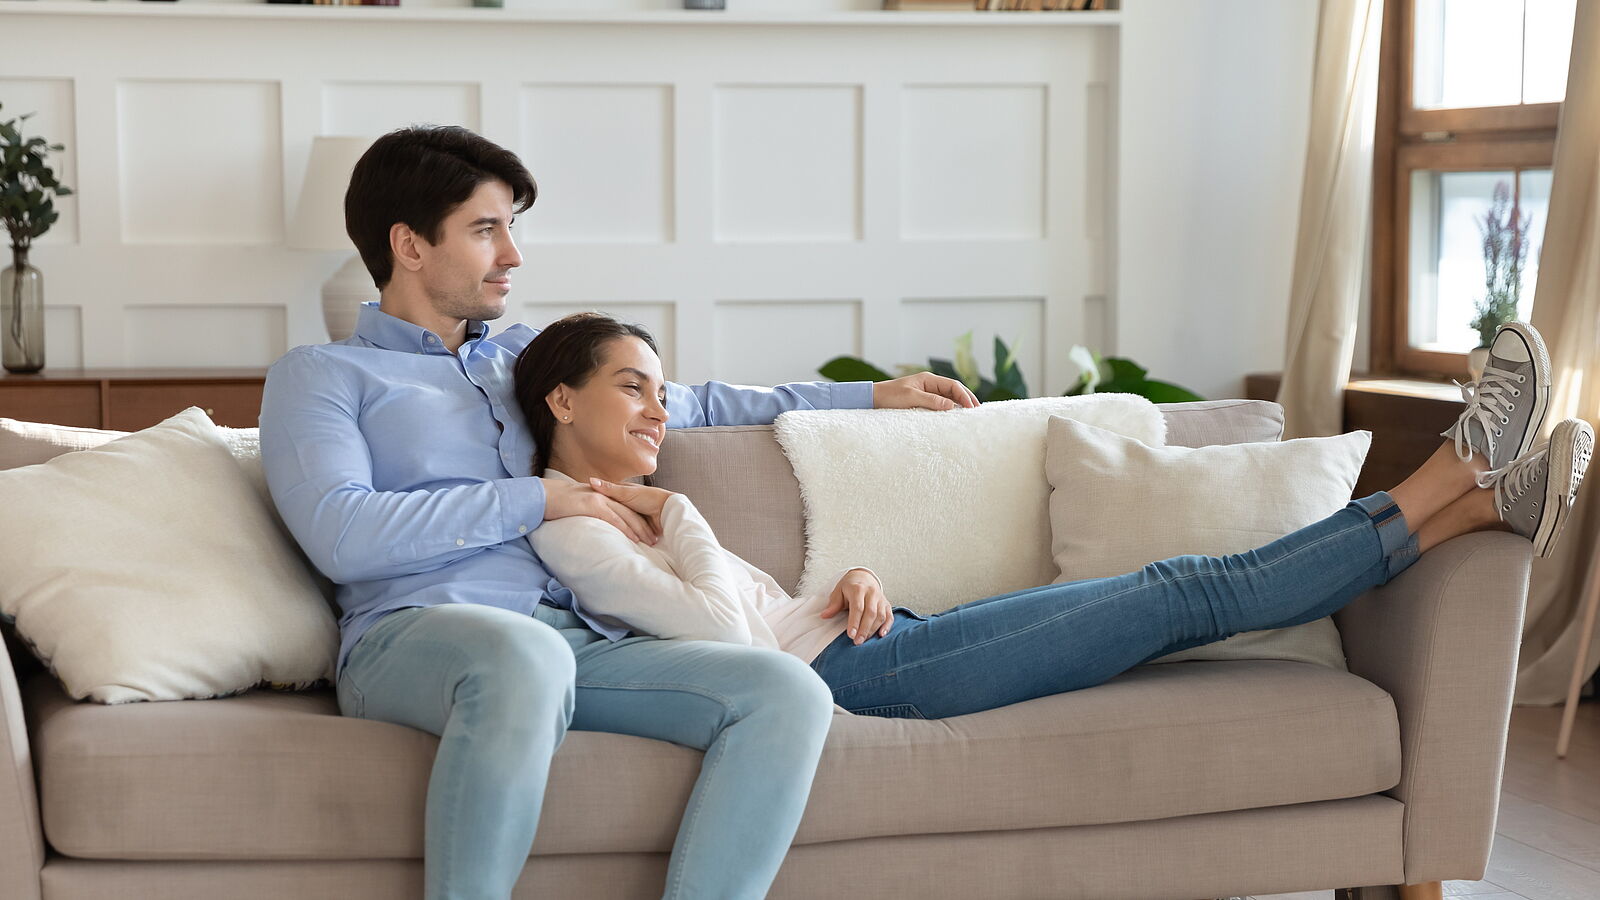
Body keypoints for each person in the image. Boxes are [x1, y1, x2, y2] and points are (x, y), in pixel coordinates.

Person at [258, 124, 978, 900]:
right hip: (416, 634)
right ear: (409, 245)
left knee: (784, 689)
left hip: (581, 636)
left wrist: (868, 396)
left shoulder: (521, 360)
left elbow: (697, 401)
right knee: (525, 657)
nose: (513, 255)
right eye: (485, 230)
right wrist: (539, 496)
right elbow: (342, 534)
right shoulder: (324, 376)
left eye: (512, 228)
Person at [516, 314, 1593, 723]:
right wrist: (681, 510)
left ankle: (1487, 504)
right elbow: (721, 641)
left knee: (1181, 594)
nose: (661, 409)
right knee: (1181, 591)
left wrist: (839, 591)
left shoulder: (631, 511)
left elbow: (758, 617)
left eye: (663, 388)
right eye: (632, 388)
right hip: (861, 682)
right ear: (561, 401)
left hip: (876, 640)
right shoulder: (572, 530)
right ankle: (1454, 468)